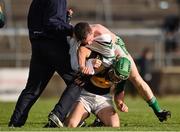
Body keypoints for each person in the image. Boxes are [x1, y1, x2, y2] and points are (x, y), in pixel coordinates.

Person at [73, 22, 171, 123]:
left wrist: (120, 102)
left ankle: (158, 110)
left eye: (87, 40)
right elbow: (82, 48)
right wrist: (83, 67)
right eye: (84, 41)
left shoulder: (103, 36)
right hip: (107, 53)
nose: (88, 43)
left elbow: (110, 61)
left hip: (116, 51)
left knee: (135, 79)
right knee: (82, 71)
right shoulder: (83, 32)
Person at [9, 0, 82, 128]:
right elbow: (52, 23)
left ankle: (15, 124)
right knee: (78, 80)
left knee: (32, 89)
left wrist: (65, 18)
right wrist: (74, 30)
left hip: (39, 46)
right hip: (54, 46)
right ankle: (58, 115)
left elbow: (45, 21)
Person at [65, 54, 131, 127]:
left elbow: (119, 91)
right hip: (85, 97)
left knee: (115, 125)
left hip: (104, 100)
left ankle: (99, 122)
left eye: (120, 79)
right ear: (113, 67)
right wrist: (90, 64)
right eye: (116, 76)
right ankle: (80, 121)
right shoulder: (101, 65)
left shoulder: (122, 76)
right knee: (71, 124)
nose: (117, 80)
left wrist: (120, 104)